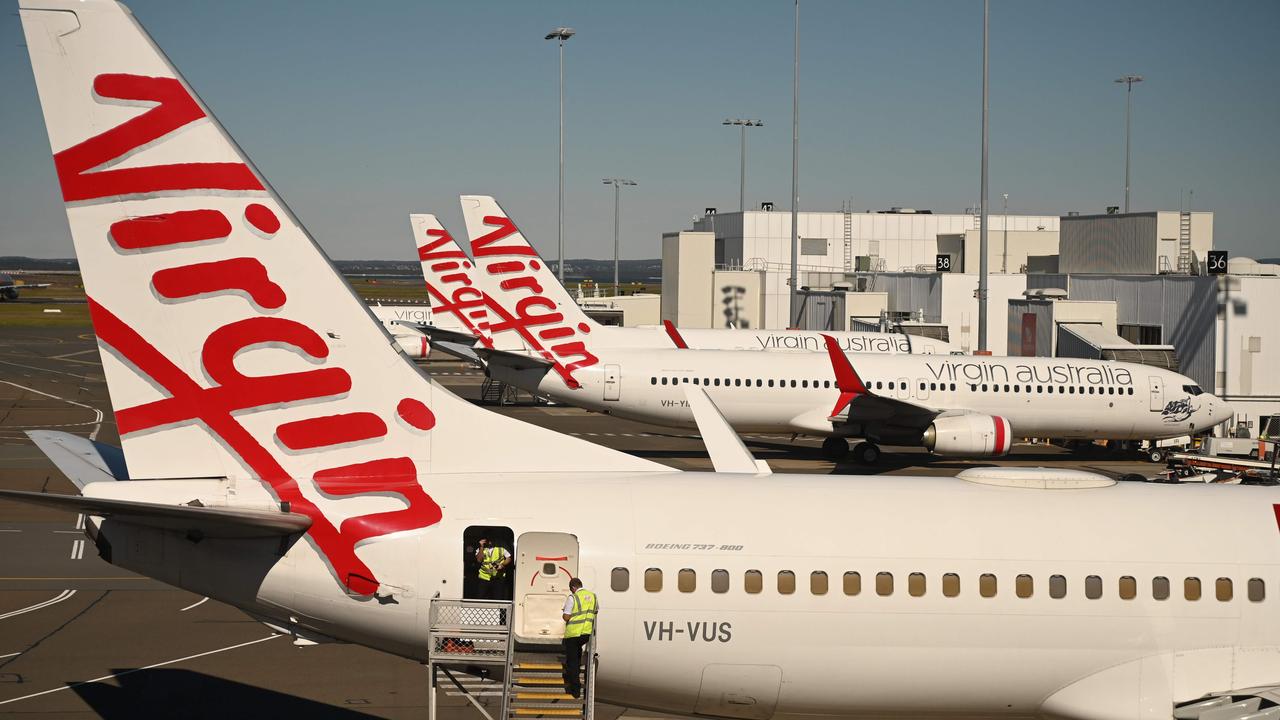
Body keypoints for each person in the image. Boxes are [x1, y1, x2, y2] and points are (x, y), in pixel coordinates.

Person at [561, 577, 597, 699]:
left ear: (573, 588)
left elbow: (566, 617)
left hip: (573, 634)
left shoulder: (573, 598)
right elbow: (595, 611)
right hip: (585, 634)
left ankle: (575, 690)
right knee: (577, 655)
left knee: (572, 663)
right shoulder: (593, 596)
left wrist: (564, 613)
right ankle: (574, 677)